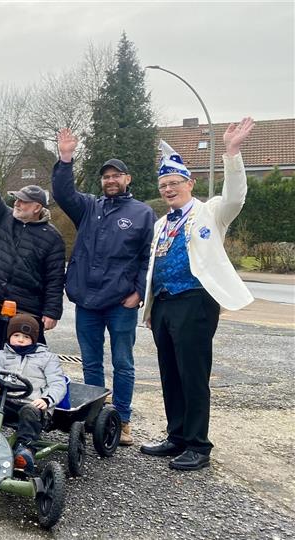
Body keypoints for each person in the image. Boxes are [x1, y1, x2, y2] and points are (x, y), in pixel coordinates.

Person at [140, 118, 256, 472]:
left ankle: (198, 444)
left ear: (190, 183)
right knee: (170, 371)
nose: (168, 189)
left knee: (193, 373)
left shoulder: (210, 212)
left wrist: (231, 153)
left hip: (195, 302)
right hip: (163, 304)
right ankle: (176, 435)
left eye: (174, 183)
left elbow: (236, 196)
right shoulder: (162, 223)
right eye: (163, 185)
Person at [51, 128, 155, 447]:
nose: (110, 180)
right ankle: (94, 416)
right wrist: (65, 158)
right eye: (105, 176)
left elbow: (147, 257)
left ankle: (122, 419)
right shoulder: (89, 208)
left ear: (128, 179)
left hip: (120, 302)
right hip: (88, 301)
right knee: (91, 362)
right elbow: (63, 192)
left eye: (116, 176)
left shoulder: (142, 213)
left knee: (123, 362)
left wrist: (138, 293)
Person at [0, 132, 66, 371]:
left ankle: (25, 400)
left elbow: (55, 278)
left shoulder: (52, 238)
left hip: (28, 308)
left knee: (27, 356)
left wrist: (52, 311)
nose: (17, 204)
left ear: (37, 208)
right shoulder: (4, 219)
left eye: (23, 201)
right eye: (17, 199)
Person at [0, 314, 67, 472]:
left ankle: (24, 450)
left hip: (32, 406)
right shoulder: (2, 355)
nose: (20, 340)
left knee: (29, 410)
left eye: (26, 337)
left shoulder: (48, 358)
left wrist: (47, 400)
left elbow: (58, 384)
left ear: (33, 338)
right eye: (16, 335)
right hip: (6, 403)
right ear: (9, 336)